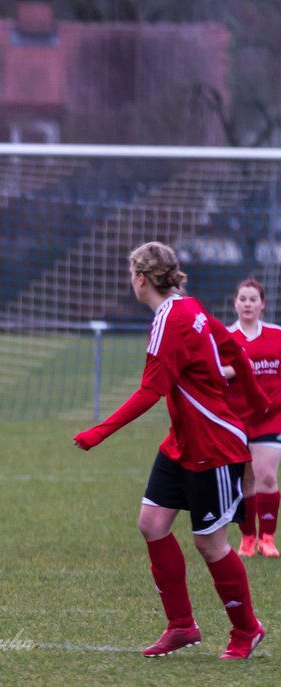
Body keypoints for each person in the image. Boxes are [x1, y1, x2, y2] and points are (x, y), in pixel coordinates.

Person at [74, 242, 266, 660]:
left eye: (131, 275)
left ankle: (246, 629)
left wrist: (98, 433)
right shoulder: (189, 307)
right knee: (152, 524)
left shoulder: (171, 319)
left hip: (213, 445)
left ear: (140, 279)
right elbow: (233, 350)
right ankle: (181, 625)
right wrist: (254, 398)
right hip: (182, 443)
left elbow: (149, 392)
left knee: (210, 544)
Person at [224, 277, 281, 558]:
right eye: (242, 299)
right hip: (235, 420)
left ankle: (267, 538)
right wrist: (232, 370)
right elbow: (213, 373)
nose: (247, 304)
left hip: (270, 417)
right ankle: (248, 537)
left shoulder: (277, 335)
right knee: (245, 482)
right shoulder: (225, 337)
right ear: (235, 303)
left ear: (262, 305)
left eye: (252, 299)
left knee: (267, 476)